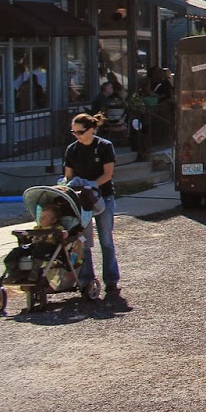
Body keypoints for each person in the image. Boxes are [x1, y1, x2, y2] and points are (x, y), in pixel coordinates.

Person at [64, 112, 120, 301]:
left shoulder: (104, 146)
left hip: (103, 196)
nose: (77, 135)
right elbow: (68, 175)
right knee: (83, 242)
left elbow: (108, 174)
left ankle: (111, 279)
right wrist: (72, 186)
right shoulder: (72, 149)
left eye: (80, 132)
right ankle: (86, 279)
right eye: (74, 132)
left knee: (106, 239)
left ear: (92, 130)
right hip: (82, 200)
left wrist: (93, 185)